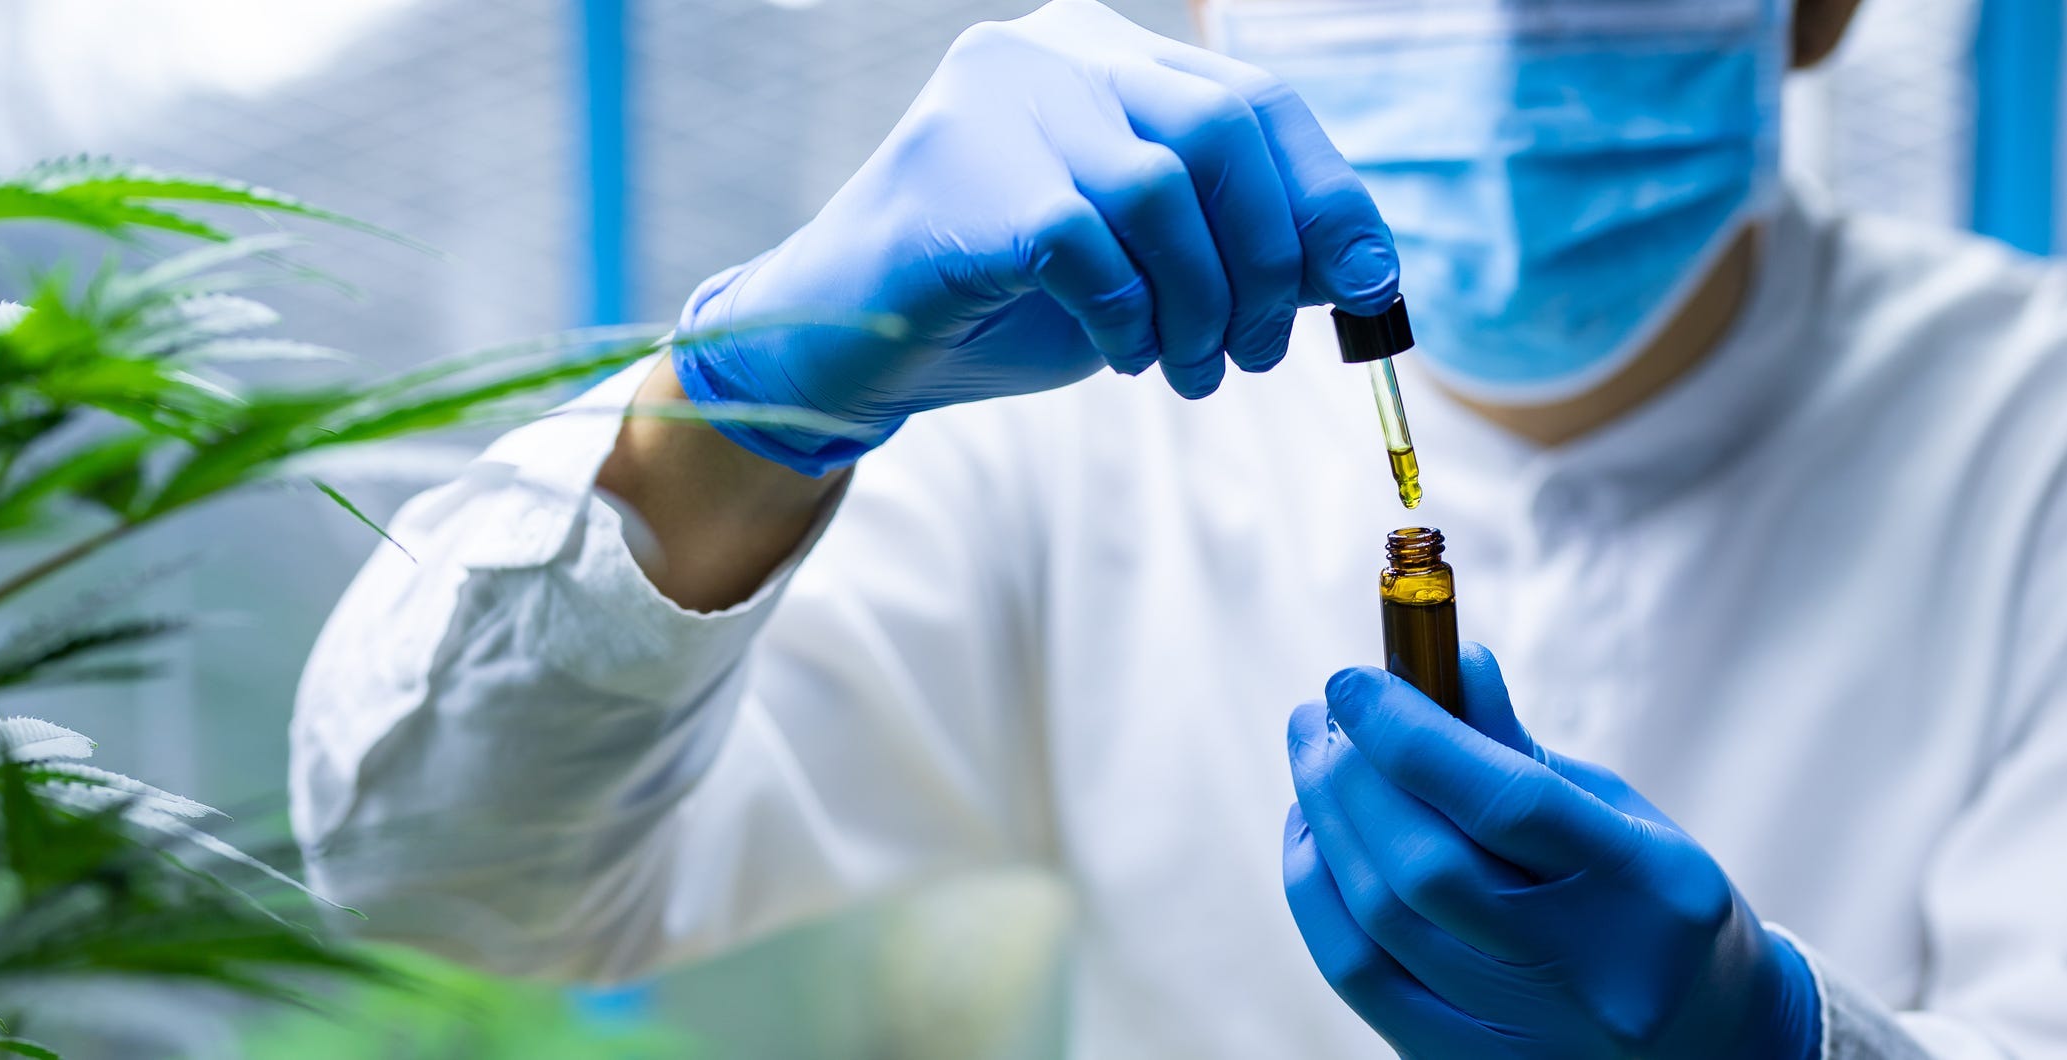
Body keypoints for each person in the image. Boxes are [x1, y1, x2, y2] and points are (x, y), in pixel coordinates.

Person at [291, 0, 2067, 1054]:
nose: (1497, 24)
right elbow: (442, 886)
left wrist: (1777, 1049)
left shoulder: (2029, 437)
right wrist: (743, 408)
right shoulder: (1067, 415)